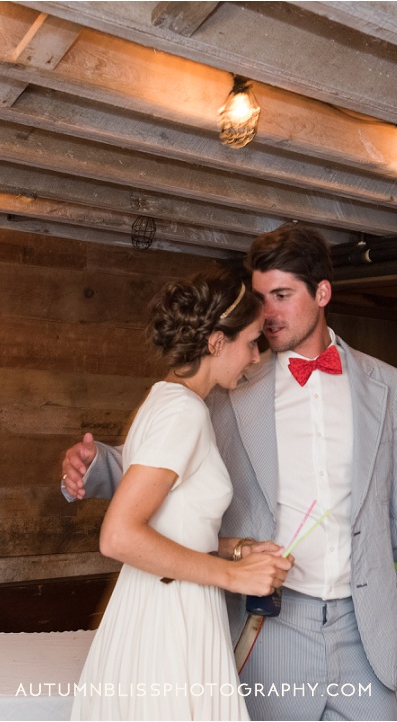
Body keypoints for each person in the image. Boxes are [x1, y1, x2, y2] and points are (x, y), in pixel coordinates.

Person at [63, 226, 397, 720]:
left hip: (365, 621)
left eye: (282, 296)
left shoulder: (385, 384)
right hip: (271, 623)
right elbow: (165, 459)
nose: (268, 314)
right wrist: (97, 468)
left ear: (322, 292)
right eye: (261, 299)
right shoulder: (230, 373)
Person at [70, 268, 294, 720]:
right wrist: (234, 577)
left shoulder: (163, 400)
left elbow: (169, 525)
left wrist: (238, 550)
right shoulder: (183, 414)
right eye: (252, 341)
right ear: (216, 341)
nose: (255, 357)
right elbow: (118, 536)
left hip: (163, 603)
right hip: (171, 615)